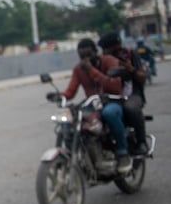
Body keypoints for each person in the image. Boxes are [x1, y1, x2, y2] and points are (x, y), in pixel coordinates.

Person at [51, 38, 132, 172]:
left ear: (96, 52)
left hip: (112, 101)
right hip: (92, 104)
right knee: (68, 119)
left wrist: (92, 70)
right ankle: (71, 156)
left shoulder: (108, 61)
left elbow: (115, 87)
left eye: (88, 55)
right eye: (82, 56)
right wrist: (59, 96)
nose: (84, 59)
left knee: (109, 113)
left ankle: (123, 153)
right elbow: (71, 91)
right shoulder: (78, 69)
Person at [99, 32, 149, 156]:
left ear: (117, 45)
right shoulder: (103, 60)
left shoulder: (131, 55)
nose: (105, 52)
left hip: (132, 94)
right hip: (111, 96)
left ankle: (142, 142)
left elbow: (142, 77)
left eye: (107, 48)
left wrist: (130, 68)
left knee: (130, 108)